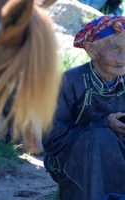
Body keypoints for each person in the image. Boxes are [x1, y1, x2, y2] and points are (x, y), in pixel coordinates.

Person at [43, 15, 125, 200]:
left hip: (118, 154)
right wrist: (104, 124)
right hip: (72, 159)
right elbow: (52, 141)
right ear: (91, 50)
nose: (123, 57)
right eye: (115, 48)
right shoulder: (66, 83)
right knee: (99, 139)